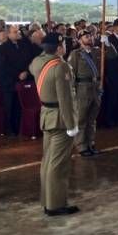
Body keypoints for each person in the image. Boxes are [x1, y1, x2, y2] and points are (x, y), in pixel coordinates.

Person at [29, 33, 79, 216]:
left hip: (46, 115)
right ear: (58, 48)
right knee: (58, 164)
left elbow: (34, 64)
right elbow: (65, 98)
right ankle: (56, 205)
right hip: (60, 118)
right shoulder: (61, 66)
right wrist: (71, 124)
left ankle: (48, 200)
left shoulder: (36, 62)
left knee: (48, 161)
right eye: (63, 44)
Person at [68, 29, 109, 156]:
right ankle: (81, 146)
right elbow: (71, 75)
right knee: (81, 119)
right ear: (80, 40)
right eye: (86, 37)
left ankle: (90, 143)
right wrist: (73, 92)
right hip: (82, 89)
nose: (89, 38)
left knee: (92, 119)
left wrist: (107, 43)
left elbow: (113, 55)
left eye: (90, 36)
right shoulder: (76, 54)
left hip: (96, 87)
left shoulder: (97, 51)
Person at [0, 24, 32, 136]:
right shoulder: (3, 48)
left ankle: (20, 127)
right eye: (15, 32)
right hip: (9, 82)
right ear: (8, 34)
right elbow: (5, 65)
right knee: (10, 106)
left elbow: (29, 59)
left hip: (23, 79)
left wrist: (26, 71)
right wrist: (18, 74)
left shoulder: (24, 45)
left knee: (20, 106)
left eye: (19, 32)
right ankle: (10, 129)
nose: (18, 34)